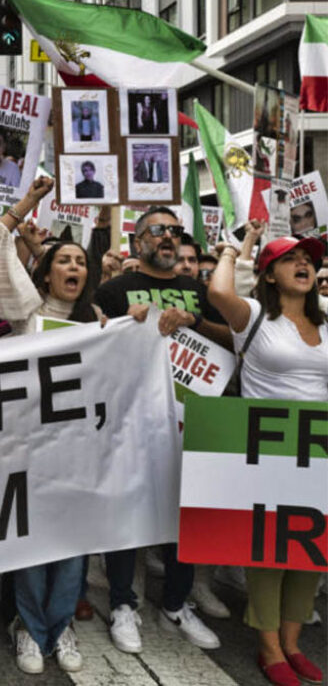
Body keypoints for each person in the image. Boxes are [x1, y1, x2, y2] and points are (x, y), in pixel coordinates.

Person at [93, 207, 226, 656]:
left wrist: (196, 322)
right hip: (130, 422)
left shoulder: (198, 291)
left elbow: (234, 341)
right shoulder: (113, 291)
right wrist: (119, 325)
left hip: (190, 423)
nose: (168, 237)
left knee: (182, 517)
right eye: (157, 230)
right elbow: (91, 347)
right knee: (126, 513)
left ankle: (175, 603)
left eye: (174, 231)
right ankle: (122, 604)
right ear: (138, 241)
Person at [0, 176, 98, 673]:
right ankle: (28, 626)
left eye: (81, 261)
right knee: (31, 541)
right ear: (46, 275)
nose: (74, 267)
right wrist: (30, 200)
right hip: (29, 449)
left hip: (78, 452)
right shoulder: (27, 312)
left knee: (72, 545)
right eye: (63, 260)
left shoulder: (99, 322)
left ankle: (60, 624)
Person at [207, 235, 326, 686]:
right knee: (269, 551)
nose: (303, 264)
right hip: (268, 450)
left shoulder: (327, 320)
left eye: (308, 259)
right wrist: (232, 250)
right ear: (270, 275)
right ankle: (269, 647)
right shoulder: (254, 316)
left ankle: (293, 644)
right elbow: (219, 292)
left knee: (312, 548)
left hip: (318, 450)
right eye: (290, 259)